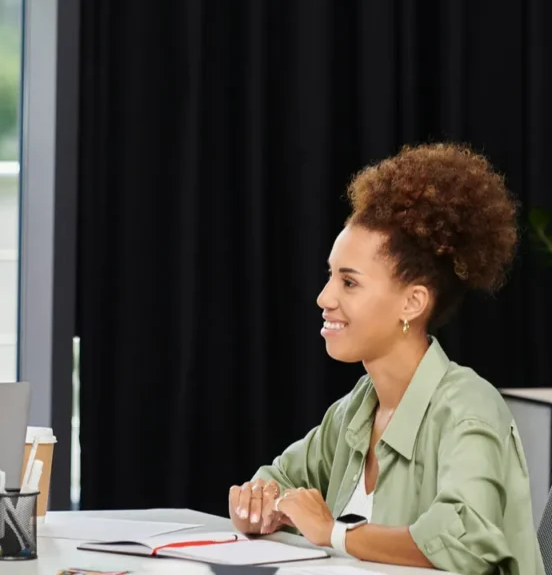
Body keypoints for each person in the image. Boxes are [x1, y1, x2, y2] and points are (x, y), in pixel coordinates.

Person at [226, 143, 542, 575]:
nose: (324, 297)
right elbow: (279, 477)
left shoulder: (468, 409)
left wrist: (333, 532)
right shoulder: (358, 408)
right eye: (330, 275)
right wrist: (256, 504)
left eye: (349, 283)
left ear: (412, 303)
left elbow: (462, 538)